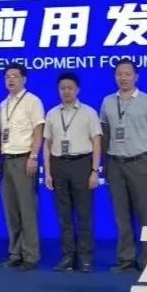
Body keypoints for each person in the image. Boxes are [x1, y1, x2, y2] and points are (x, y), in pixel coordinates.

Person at [100, 59, 147, 272]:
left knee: (144, 213)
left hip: (139, 162)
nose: (123, 78)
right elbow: (104, 134)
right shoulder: (108, 101)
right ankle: (126, 259)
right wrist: (102, 164)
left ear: (136, 76)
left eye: (127, 74)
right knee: (121, 215)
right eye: (119, 74)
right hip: (115, 164)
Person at [43, 72, 102, 273]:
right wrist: (47, 172)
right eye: (62, 88)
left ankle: (85, 258)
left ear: (78, 90)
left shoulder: (89, 112)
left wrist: (95, 170)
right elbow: (47, 144)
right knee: (64, 215)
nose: (66, 91)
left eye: (70, 88)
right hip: (58, 165)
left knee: (84, 214)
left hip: (82, 165)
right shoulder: (52, 114)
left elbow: (96, 142)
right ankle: (68, 257)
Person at [0, 63, 44, 271]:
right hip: (6, 160)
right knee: (11, 210)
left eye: (15, 76)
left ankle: (30, 255)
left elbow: (38, 131)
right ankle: (15, 253)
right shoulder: (3, 104)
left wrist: (34, 156)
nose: (11, 80)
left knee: (27, 209)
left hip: (25, 159)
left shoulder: (32, 101)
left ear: (24, 79)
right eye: (7, 76)